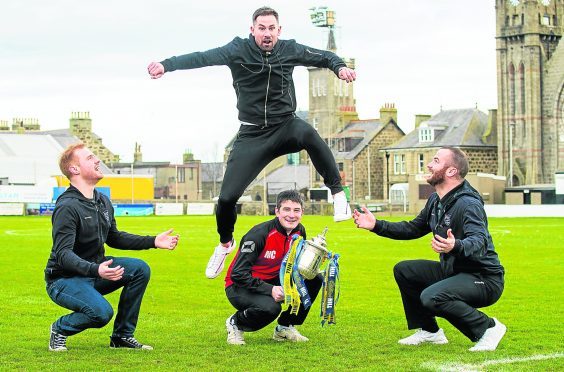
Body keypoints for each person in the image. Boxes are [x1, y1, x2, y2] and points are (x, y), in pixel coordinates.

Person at [147, 6, 355, 279]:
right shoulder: (237, 50)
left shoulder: (289, 49)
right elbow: (201, 58)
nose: (267, 34)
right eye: (262, 28)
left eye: (272, 29)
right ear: (252, 29)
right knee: (226, 199)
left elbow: (324, 56)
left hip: (285, 125)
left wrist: (339, 68)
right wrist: (166, 65)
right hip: (252, 134)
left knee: (309, 134)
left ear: (279, 31)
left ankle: (338, 194)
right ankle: (224, 244)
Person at [353, 147, 506, 352]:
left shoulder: (468, 203)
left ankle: (489, 328)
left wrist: (455, 245)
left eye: (435, 160)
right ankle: (430, 332)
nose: (429, 164)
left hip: (484, 278)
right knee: (405, 270)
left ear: (451, 171)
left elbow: (479, 240)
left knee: (432, 297)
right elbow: (413, 228)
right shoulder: (436, 200)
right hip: (454, 272)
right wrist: (376, 225)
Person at [45, 143, 180, 351]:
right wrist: (95, 269)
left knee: (139, 269)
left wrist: (153, 241)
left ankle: (122, 337)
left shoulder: (102, 200)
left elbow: (114, 238)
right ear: (75, 169)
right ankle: (59, 328)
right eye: (90, 158)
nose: (97, 160)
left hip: (95, 272)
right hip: (64, 280)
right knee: (101, 313)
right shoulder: (68, 206)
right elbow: (63, 254)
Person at [223, 190, 322, 345]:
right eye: (286, 210)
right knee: (271, 308)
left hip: (274, 278)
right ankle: (235, 322)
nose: (291, 215)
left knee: (314, 279)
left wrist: (312, 257)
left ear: (302, 212)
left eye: (296, 210)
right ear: (277, 211)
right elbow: (238, 274)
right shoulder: (258, 234)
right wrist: (270, 290)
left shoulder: (299, 231)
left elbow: (294, 263)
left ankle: (285, 327)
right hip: (239, 286)